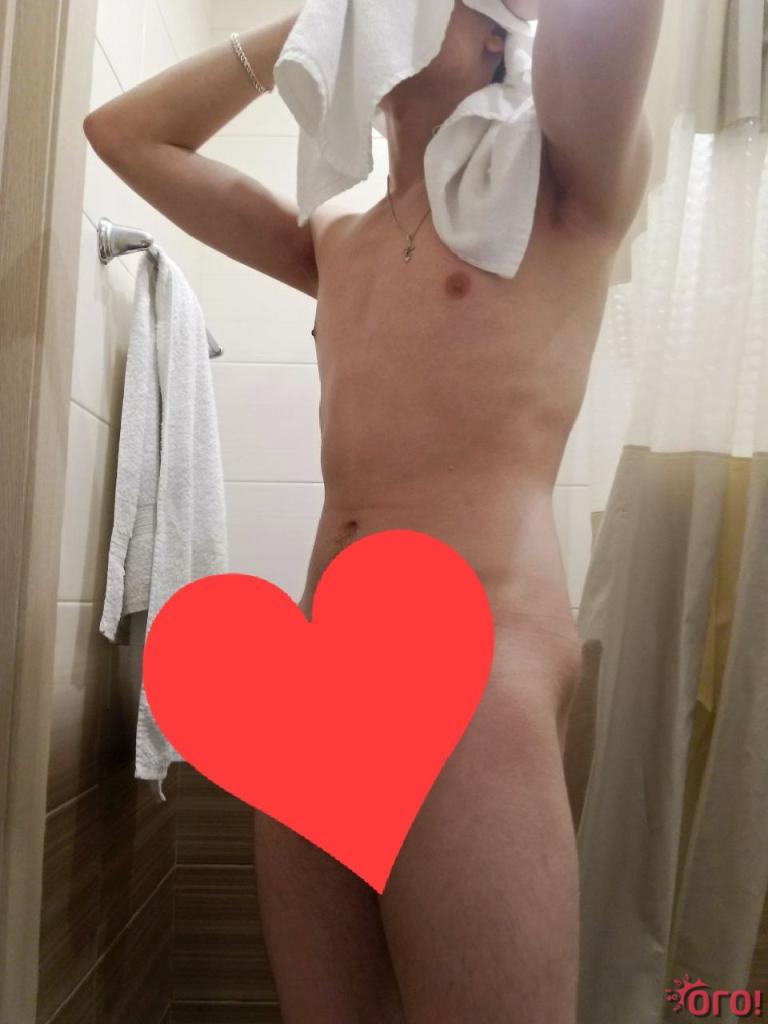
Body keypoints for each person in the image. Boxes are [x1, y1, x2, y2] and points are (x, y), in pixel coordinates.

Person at [84, 1, 664, 1020]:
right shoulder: (336, 237)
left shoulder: (563, 184)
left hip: (476, 662)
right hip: (319, 676)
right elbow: (124, 134)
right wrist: (316, 27)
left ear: (500, 34)